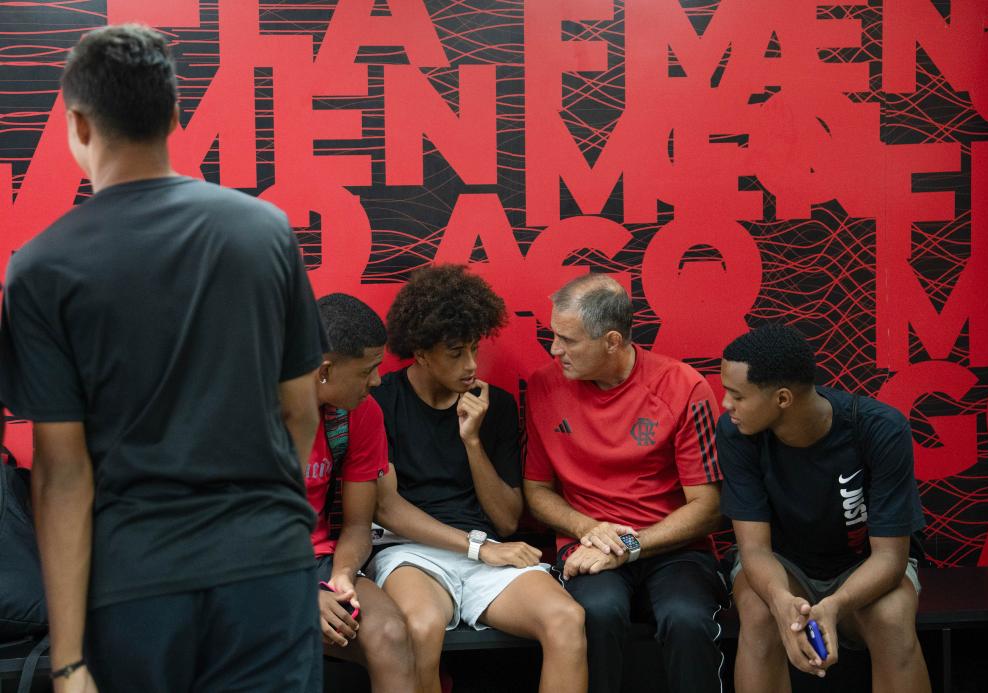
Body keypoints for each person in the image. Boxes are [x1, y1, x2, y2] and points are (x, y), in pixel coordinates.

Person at [0, 25, 324, 693]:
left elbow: (62, 474)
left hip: (136, 584)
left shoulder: (39, 269)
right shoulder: (264, 231)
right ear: (176, 115)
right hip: (266, 570)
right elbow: (300, 411)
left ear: (78, 124)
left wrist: (68, 661)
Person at [368, 264, 587, 693]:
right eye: (455, 353)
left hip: (488, 553)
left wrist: (472, 441)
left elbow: (506, 520)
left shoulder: (494, 406)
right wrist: (478, 547)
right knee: (420, 626)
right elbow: (387, 509)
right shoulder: (381, 400)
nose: (471, 365)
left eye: (474, 348)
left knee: (566, 619)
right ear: (421, 353)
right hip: (411, 552)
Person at [523, 273, 726, 693]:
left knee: (687, 620)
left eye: (568, 340)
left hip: (674, 550)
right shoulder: (543, 385)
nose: (555, 349)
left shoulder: (684, 386)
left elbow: (708, 509)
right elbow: (537, 491)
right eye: (554, 336)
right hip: (588, 548)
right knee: (597, 613)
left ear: (612, 341)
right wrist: (589, 530)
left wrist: (628, 546)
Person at [717, 324, 930, 693]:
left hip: (864, 566)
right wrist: (781, 601)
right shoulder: (736, 432)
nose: (726, 405)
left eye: (737, 395)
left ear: (783, 399)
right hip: (783, 565)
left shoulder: (880, 428)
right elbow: (754, 550)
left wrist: (835, 604)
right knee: (759, 613)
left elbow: (890, 558)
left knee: (892, 620)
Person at [305, 293, 416, 692]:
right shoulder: (245, 412)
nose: (377, 380)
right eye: (367, 370)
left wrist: (342, 576)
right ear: (324, 371)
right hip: (243, 567)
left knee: (390, 633)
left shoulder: (360, 412)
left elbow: (356, 525)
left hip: (316, 562)